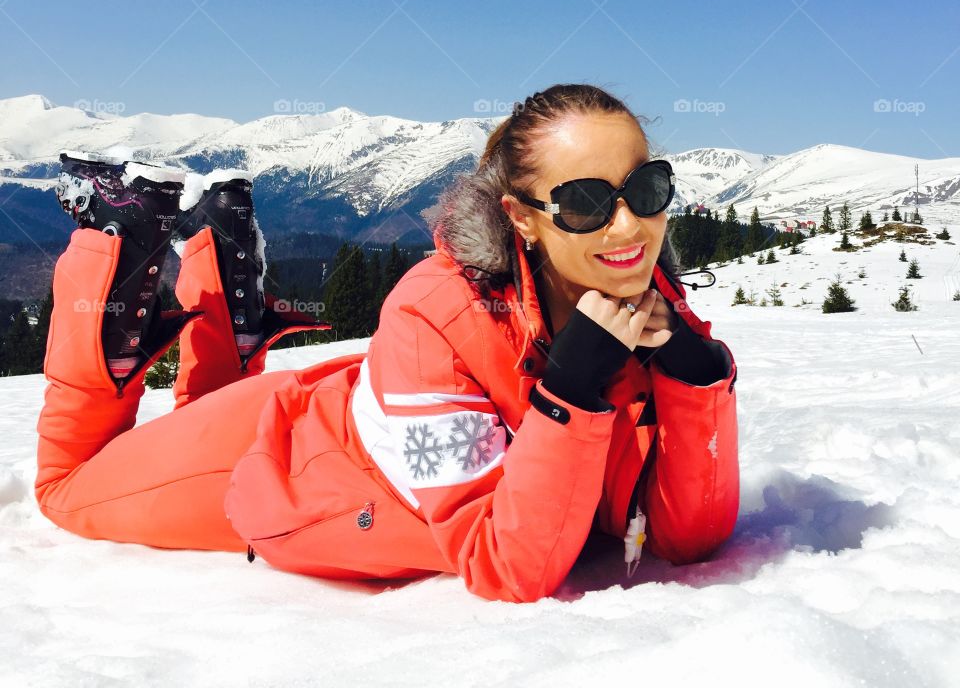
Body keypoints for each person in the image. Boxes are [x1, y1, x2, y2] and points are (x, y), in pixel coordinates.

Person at [35, 83, 739, 603]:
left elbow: (688, 538)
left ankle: (220, 267)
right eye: (586, 201)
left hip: (348, 412)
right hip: (276, 466)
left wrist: (695, 377)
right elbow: (508, 566)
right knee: (65, 491)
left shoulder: (646, 306)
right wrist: (572, 393)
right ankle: (116, 241)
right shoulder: (437, 307)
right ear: (523, 219)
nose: (628, 227)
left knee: (193, 413)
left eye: (648, 189)